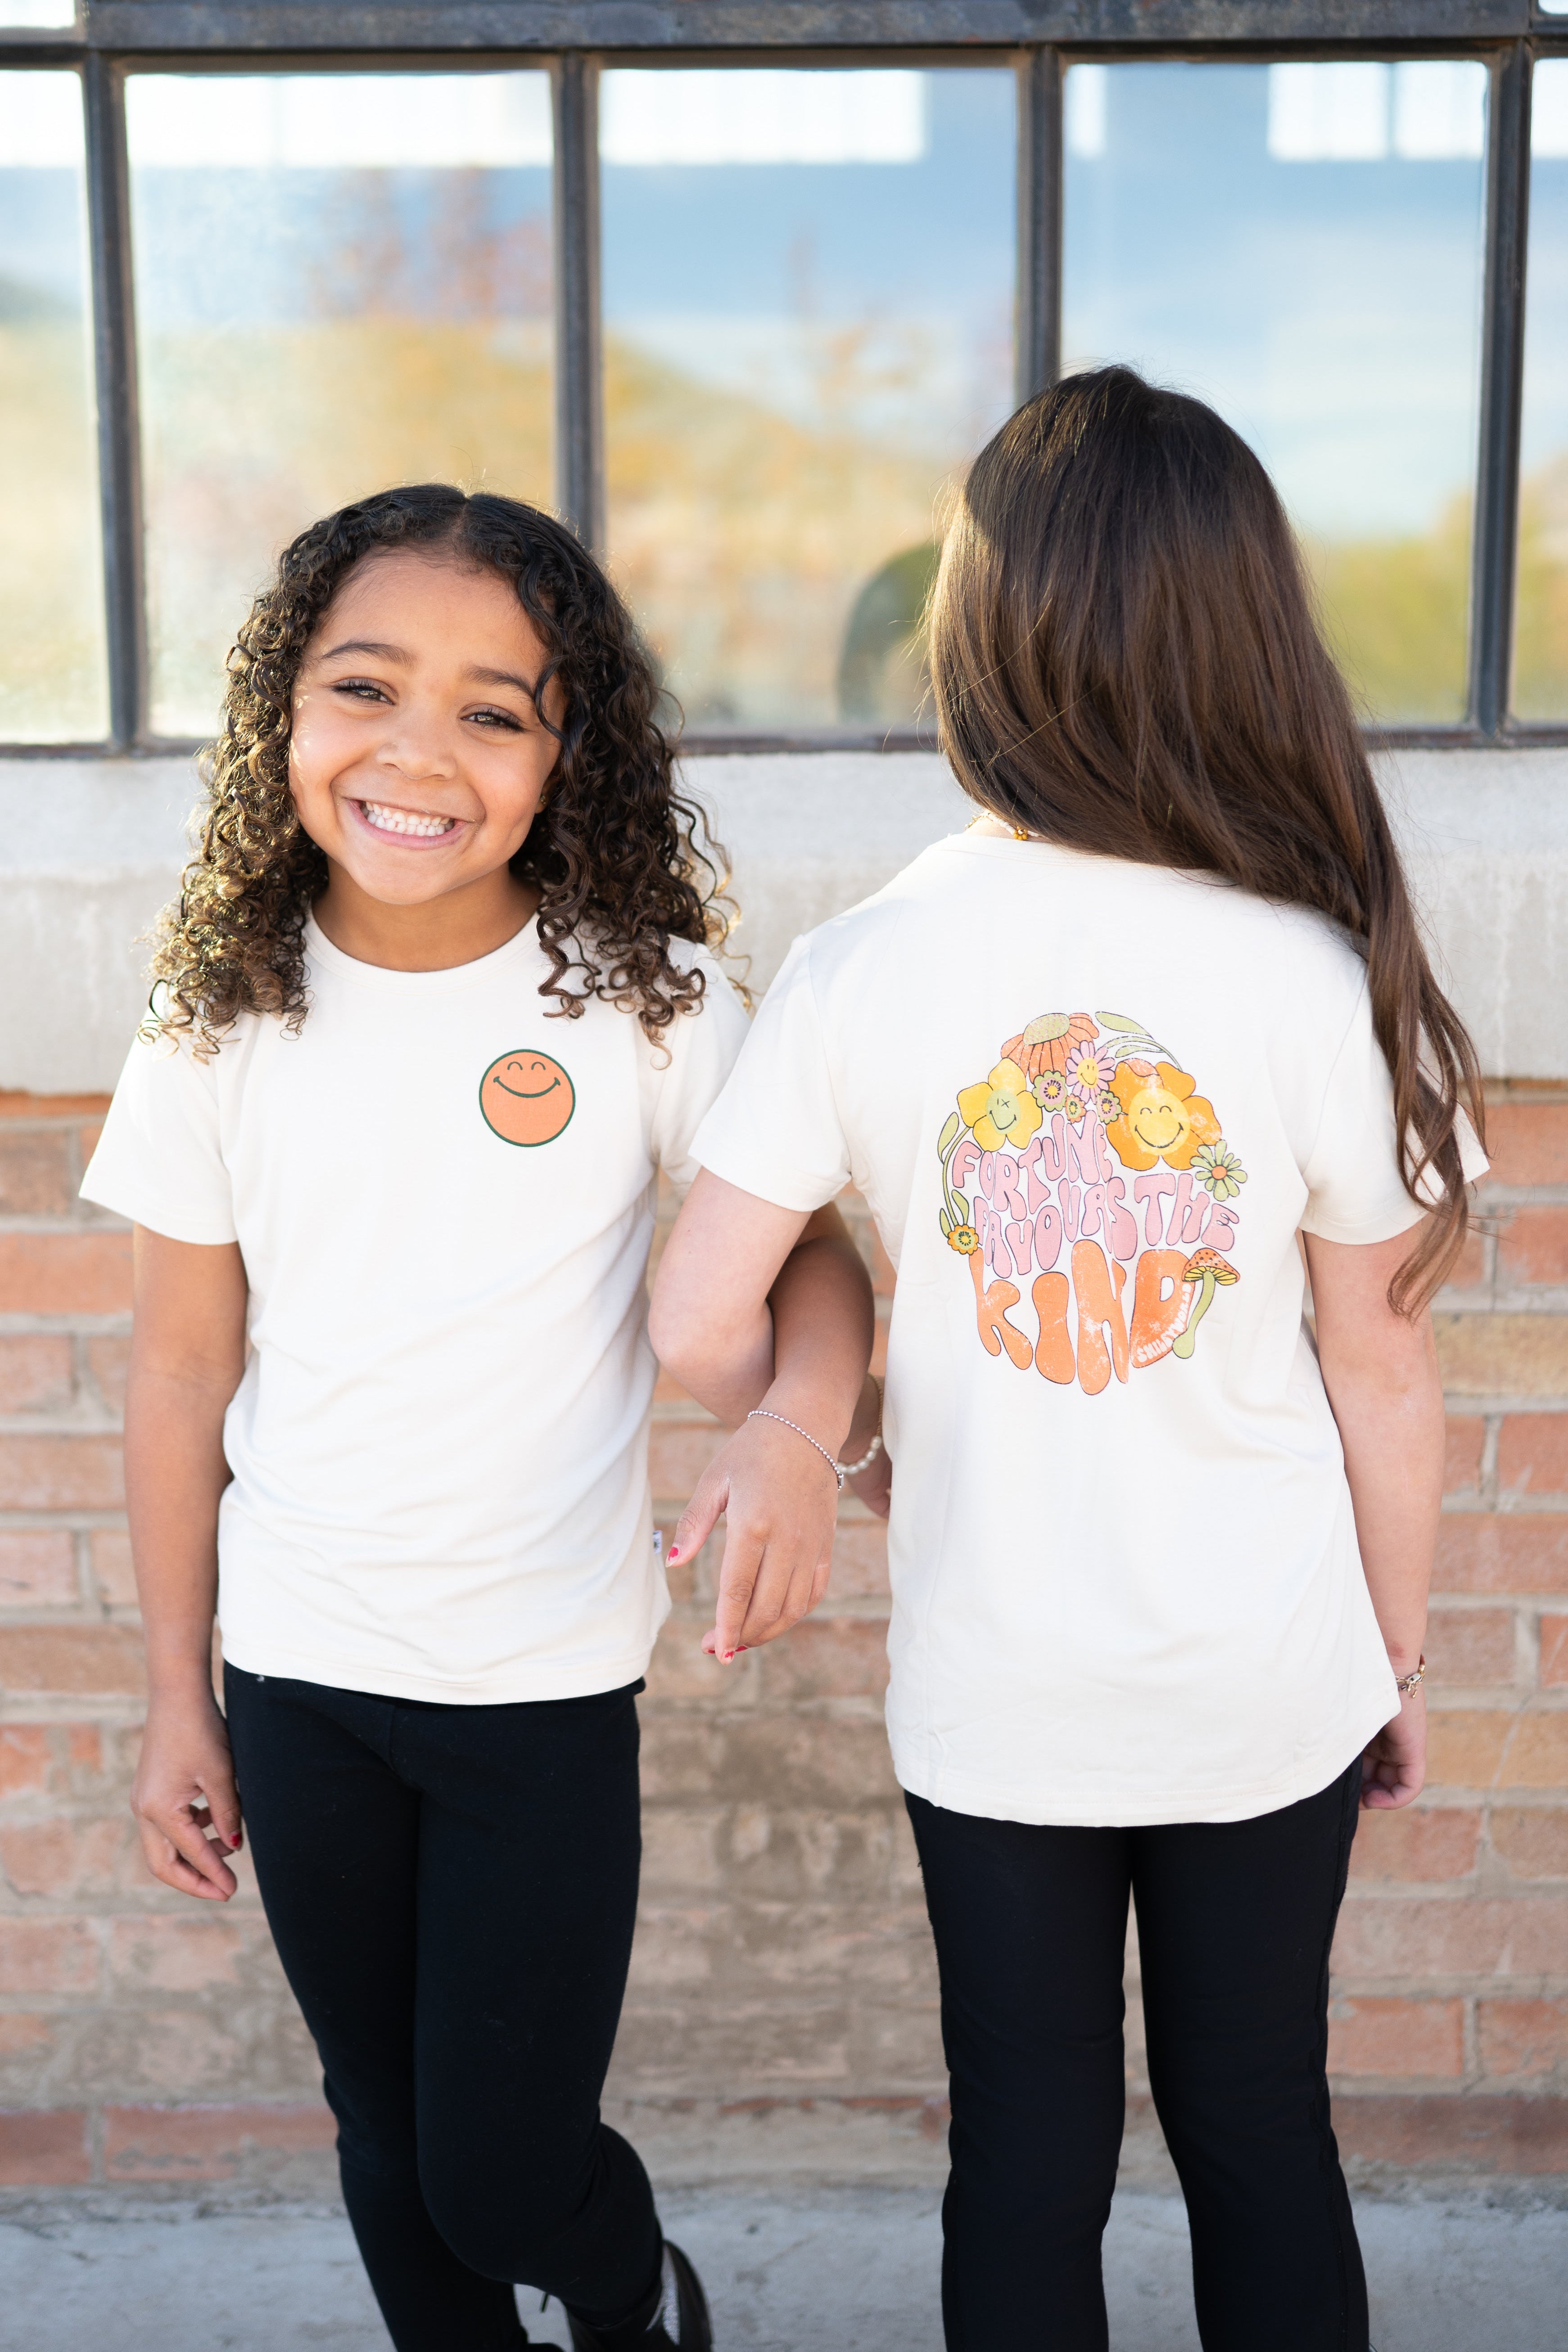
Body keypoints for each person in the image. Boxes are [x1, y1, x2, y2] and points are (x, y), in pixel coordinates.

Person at [650, 369, 1487, 2352]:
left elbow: (696, 1317)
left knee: (1022, 2151)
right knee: (1258, 2128)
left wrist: (823, 1431)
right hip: (1266, 1676)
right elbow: (1382, 1377)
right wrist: (1398, 1655)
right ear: (1242, 644)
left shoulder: (862, 968)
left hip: (997, 1688)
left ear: (976, 640)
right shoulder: (1306, 965)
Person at [82, 485, 881, 2352]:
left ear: (559, 759)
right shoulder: (219, 1015)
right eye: (365, 686)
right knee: (387, 2138)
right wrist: (174, 1694)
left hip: (538, 1688)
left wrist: (794, 1432)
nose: (417, 751)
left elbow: (816, 1269)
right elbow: (183, 1367)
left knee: (498, 2166)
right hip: (300, 1676)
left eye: (493, 711)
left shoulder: (644, 1000)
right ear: (284, 715)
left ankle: (630, 2289)